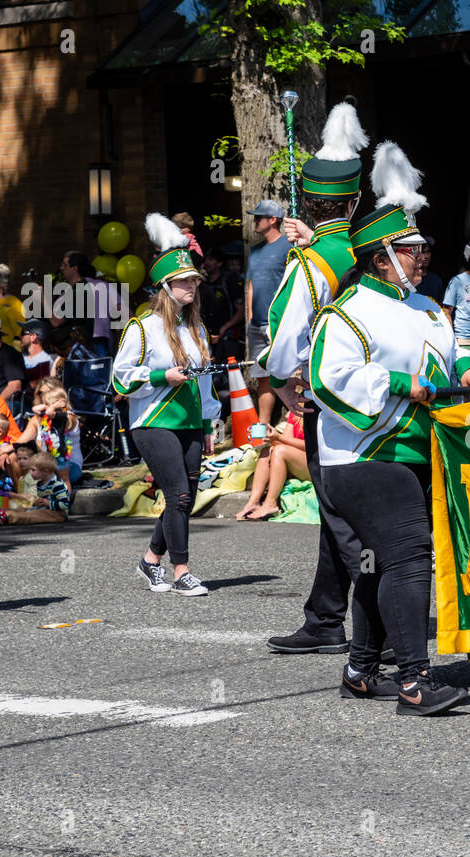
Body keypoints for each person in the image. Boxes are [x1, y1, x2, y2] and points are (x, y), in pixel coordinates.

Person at [310, 141, 470, 715]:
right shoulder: (347, 312)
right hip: (363, 457)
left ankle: (362, 672)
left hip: (417, 453)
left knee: (383, 560)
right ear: (382, 255)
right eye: (414, 249)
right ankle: (414, 680)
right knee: (411, 556)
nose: (424, 256)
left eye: (422, 247)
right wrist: (393, 382)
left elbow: (454, 350)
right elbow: (324, 377)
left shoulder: (425, 307)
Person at [259, 102, 370, 655]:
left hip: (329, 404)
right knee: (336, 512)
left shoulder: (308, 263)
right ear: (353, 201)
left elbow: (280, 347)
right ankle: (325, 619)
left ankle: (388, 627)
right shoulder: (370, 250)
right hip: (382, 401)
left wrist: (287, 390)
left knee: (342, 513)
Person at [113, 213, 220, 598]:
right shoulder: (142, 327)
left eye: (193, 279)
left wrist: (208, 426)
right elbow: (120, 379)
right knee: (177, 494)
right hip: (152, 420)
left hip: (190, 420)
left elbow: (205, 383)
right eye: (184, 281)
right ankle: (182, 571)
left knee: (185, 496)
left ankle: (149, 560)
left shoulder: (197, 328)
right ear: (165, 286)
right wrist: (161, 377)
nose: (192, 285)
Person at [245, 198, 290, 425]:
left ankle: (292, 425)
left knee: (288, 372)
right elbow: (251, 285)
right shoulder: (254, 252)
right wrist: (251, 318)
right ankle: (264, 426)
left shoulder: (289, 247)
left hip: (280, 324)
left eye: (258, 217)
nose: (254, 221)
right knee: (263, 377)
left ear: (273, 220)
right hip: (257, 326)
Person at [236, 410, 309, 521]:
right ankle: (253, 502)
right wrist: (270, 439)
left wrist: (278, 438)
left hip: (316, 463)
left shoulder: (318, 408)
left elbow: (313, 447)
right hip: (299, 460)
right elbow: (285, 441)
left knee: (279, 451)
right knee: (267, 450)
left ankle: (271, 504)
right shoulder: (297, 408)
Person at [19, 319, 56, 391]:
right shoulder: (18, 358)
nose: (19, 336)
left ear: (33, 337)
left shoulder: (48, 360)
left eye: (23, 332)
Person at [414, 237, 444, 302]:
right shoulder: (407, 280)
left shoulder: (436, 280)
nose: (426, 256)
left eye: (428, 252)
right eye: (422, 252)